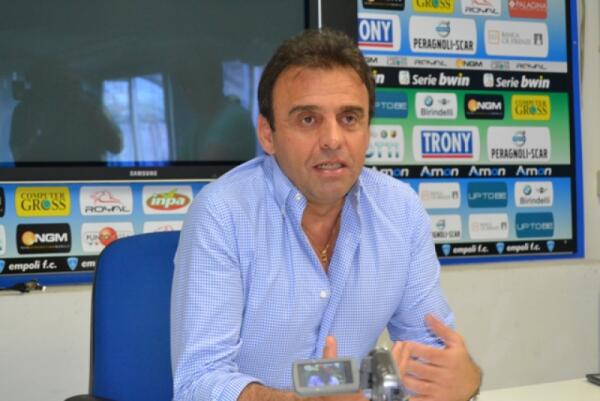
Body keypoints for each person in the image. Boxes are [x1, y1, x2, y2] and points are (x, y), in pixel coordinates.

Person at [171, 29, 482, 401]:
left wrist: (466, 380)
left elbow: (425, 359)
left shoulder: (400, 210)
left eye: (349, 118)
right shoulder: (222, 213)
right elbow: (197, 382)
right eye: (308, 119)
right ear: (267, 134)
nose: (333, 139)